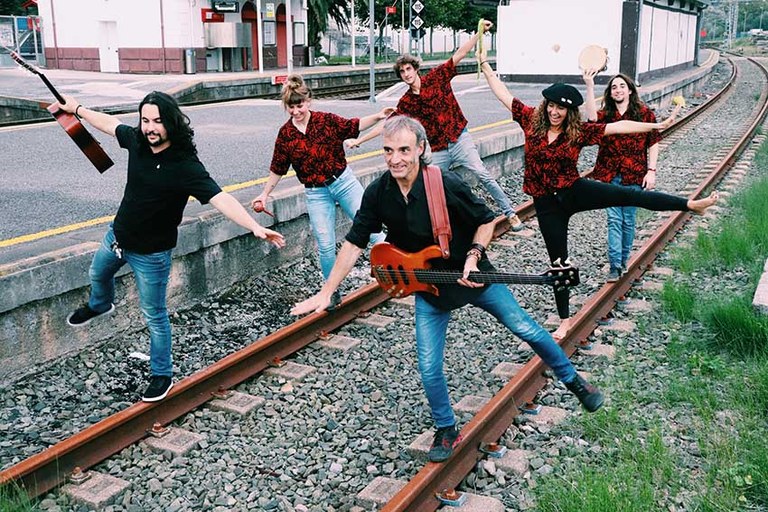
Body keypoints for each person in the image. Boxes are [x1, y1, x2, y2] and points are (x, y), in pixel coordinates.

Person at [291, 116, 604, 463]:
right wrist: (326, 291)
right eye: (388, 151)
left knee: (524, 327)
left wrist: (474, 255)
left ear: (421, 149)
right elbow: (353, 244)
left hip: (472, 275)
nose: (395, 159)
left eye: (404, 150)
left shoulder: (445, 183)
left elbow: (487, 220)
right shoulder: (379, 192)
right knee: (428, 365)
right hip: (431, 287)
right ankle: (446, 427)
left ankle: (574, 380)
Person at [477, 49, 718, 340]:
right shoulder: (530, 120)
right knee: (558, 262)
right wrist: (487, 69)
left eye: (561, 109)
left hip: (574, 190)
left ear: (569, 112)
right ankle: (564, 321)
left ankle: (691, 205)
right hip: (546, 203)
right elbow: (504, 95)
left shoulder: (579, 132)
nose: (555, 112)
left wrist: (655, 125)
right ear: (546, 105)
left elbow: (618, 127)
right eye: (552, 106)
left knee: (629, 195)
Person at [60, 91, 285, 402]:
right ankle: (100, 305)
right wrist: (78, 109)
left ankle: (161, 375)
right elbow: (110, 125)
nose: (150, 127)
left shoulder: (185, 166)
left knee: (154, 315)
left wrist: (255, 226)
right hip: (117, 237)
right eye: (145, 120)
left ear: (172, 124)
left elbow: (221, 199)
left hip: (151, 255)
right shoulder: (137, 141)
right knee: (97, 274)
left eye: (158, 121)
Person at [347, 20, 524, 232]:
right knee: (431, 187)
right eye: (402, 72)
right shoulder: (406, 102)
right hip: (439, 149)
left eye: (408, 69)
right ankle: (440, 229)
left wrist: (479, 33)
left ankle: (509, 213)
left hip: (459, 138)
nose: (406, 74)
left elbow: (459, 54)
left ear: (415, 69)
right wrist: (360, 140)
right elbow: (388, 126)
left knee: (482, 173)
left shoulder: (436, 77)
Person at [251, 74, 389, 309]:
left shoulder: (326, 121)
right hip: (315, 193)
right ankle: (330, 292)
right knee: (325, 244)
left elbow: (353, 125)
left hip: (344, 182)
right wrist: (264, 194)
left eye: (300, 105)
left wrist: (378, 116)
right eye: (291, 107)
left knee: (373, 231)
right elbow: (278, 167)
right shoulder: (286, 135)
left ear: (309, 101)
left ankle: (401, 269)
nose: (296, 111)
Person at [583, 72, 661, 282]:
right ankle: (615, 265)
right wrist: (590, 86)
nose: (617, 90)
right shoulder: (606, 114)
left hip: (634, 174)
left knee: (628, 220)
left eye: (621, 86)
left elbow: (653, 142)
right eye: (613, 87)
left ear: (629, 90)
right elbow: (590, 118)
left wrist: (651, 171)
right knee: (613, 220)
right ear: (610, 93)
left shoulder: (644, 114)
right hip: (610, 174)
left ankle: (624, 260)